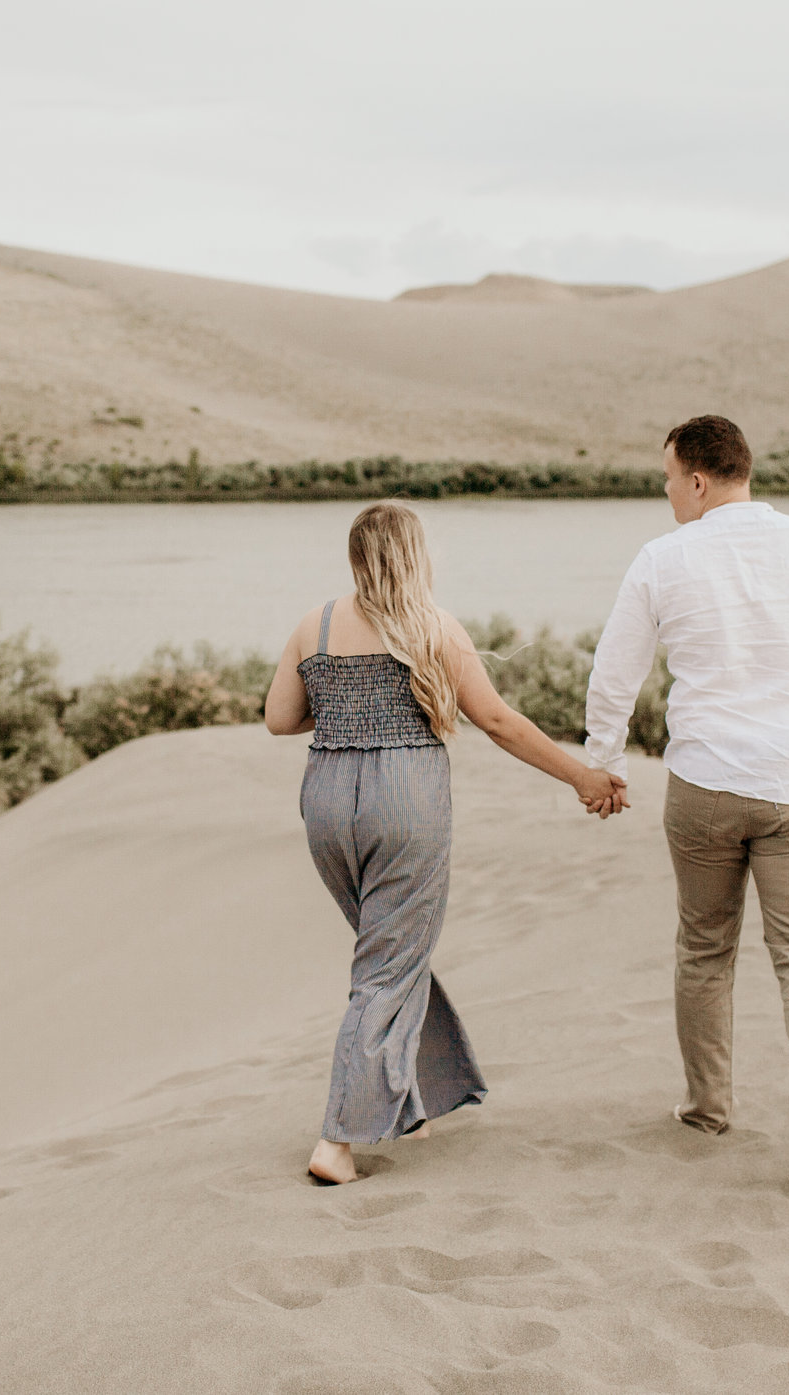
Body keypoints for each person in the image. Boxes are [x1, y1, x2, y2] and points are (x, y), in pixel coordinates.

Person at [584, 415, 789, 1210]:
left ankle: (707, 1107)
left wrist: (604, 761)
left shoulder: (663, 559)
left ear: (698, 479)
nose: (667, 492)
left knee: (704, 947)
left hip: (705, 787)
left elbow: (615, 672)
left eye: (669, 478)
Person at [266, 500, 628, 1185]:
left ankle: (415, 1100)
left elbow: (280, 718)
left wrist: (344, 703)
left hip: (327, 801)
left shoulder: (313, 625)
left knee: (390, 949)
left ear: (356, 557)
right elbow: (498, 720)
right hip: (406, 799)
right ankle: (338, 1139)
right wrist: (582, 775)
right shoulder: (433, 628)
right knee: (388, 964)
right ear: (415, 556)